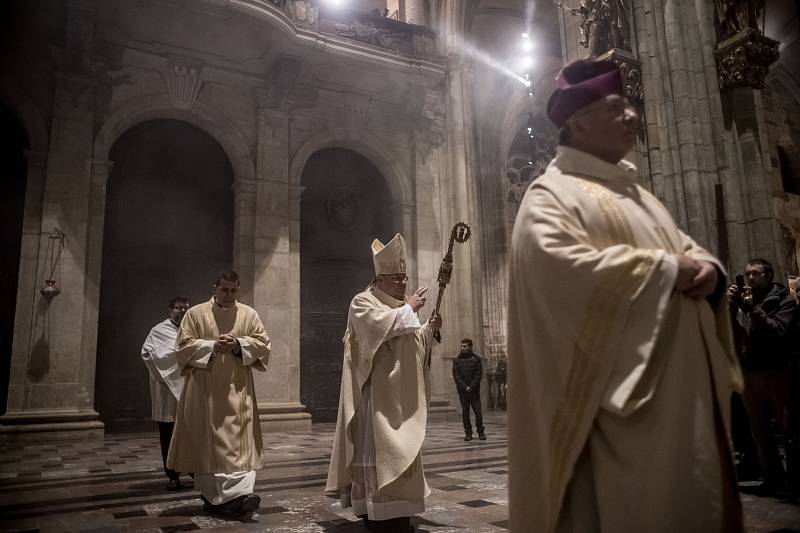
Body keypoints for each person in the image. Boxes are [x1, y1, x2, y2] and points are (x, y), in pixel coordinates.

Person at [507, 59, 744, 532]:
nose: (632, 115)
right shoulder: (549, 196)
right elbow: (555, 270)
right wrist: (662, 270)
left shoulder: (638, 194)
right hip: (616, 418)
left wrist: (713, 273)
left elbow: (685, 249)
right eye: (616, 107)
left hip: (685, 398)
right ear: (579, 122)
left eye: (630, 106)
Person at [326, 233, 442, 533]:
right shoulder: (362, 302)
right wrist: (410, 310)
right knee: (378, 452)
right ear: (379, 278)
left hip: (402, 396)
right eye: (396, 278)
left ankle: (399, 511)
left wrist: (429, 329)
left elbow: (412, 344)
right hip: (376, 396)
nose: (403, 283)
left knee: (404, 452)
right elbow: (378, 330)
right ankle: (376, 511)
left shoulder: (400, 305)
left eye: (404, 277)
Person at [166, 270, 271, 519]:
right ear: (215, 288)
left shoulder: (249, 314)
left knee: (238, 443)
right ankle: (215, 498)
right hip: (204, 392)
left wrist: (238, 345)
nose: (229, 295)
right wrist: (211, 345)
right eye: (224, 289)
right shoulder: (195, 314)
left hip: (238, 390)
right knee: (208, 443)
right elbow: (181, 348)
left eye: (234, 290)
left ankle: (239, 495)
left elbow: (263, 344)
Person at [728, 258, 798, 495]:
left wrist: (751, 309)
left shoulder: (783, 301)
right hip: (750, 371)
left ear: (768, 275)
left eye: (755, 274)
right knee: (759, 431)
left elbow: (777, 330)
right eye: (747, 274)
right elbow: (732, 331)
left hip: (776, 371)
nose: (749, 278)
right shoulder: (744, 302)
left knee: (789, 429)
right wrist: (729, 305)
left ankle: (796, 479)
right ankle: (772, 478)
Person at [140, 296, 190, 490]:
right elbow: (147, 353)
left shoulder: (191, 330)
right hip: (166, 390)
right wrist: (164, 371)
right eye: (178, 308)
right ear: (170, 310)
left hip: (186, 387)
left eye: (186, 308)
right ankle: (173, 475)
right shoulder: (158, 331)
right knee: (168, 433)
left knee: (189, 433)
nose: (183, 312)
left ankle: (194, 470)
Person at [452, 338, 485, 441]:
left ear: (470, 347)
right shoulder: (457, 360)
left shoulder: (476, 359)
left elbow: (478, 374)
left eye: (465, 346)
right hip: (463, 391)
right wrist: (464, 387)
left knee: (478, 412)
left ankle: (481, 432)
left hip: (474, 391)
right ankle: (468, 433)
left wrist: (471, 386)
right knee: (465, 413)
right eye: (462, 346)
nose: (462, 348)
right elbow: (456, 375)